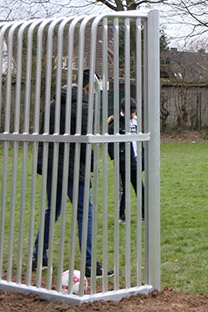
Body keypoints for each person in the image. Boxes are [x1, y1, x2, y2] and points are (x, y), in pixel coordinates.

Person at [32, 69, 112, 277]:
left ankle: (38, 255)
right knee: (85, 212)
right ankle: (89, 264)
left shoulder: (53, 104)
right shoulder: (85, 107)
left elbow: (43, 134)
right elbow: (84, 140)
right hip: (71, 167)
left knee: (54, 209)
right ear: (88, 88)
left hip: (51, 164)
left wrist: (42, 162)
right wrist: (92, 165)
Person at [107, 98, 145, 223]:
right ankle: (120, 215)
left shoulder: (136, 121)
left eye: (133, 113)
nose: (132, 115)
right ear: (123, 111)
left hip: (135, 160)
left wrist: (141, 156)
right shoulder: (116, 124)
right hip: (123, 161)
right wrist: (117, 157)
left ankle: (144, 213)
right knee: (123, 189)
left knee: (140, 187)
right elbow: (110, 144)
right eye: (130, 113)